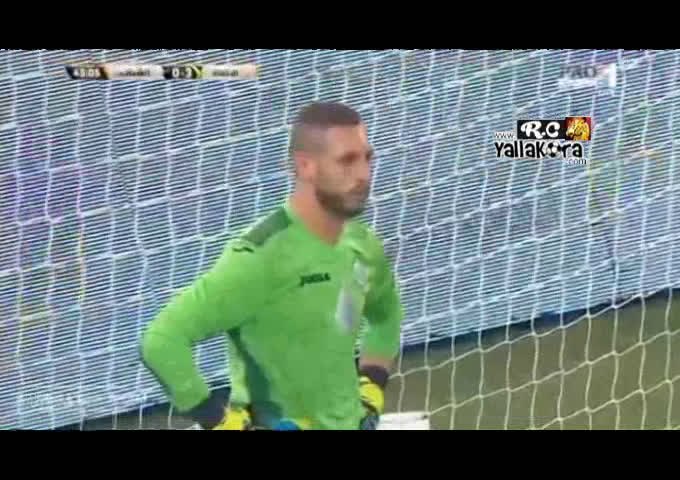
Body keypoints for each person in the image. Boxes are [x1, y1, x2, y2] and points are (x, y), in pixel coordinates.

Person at [140, 101, 403, 430]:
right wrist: (220, 421)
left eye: (367, 158)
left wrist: (371, 388)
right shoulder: (259, 258)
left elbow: (385, 316)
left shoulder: (362, 246)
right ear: (305, 166)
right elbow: (162, 341)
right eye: (347, 161)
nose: (364, 175)